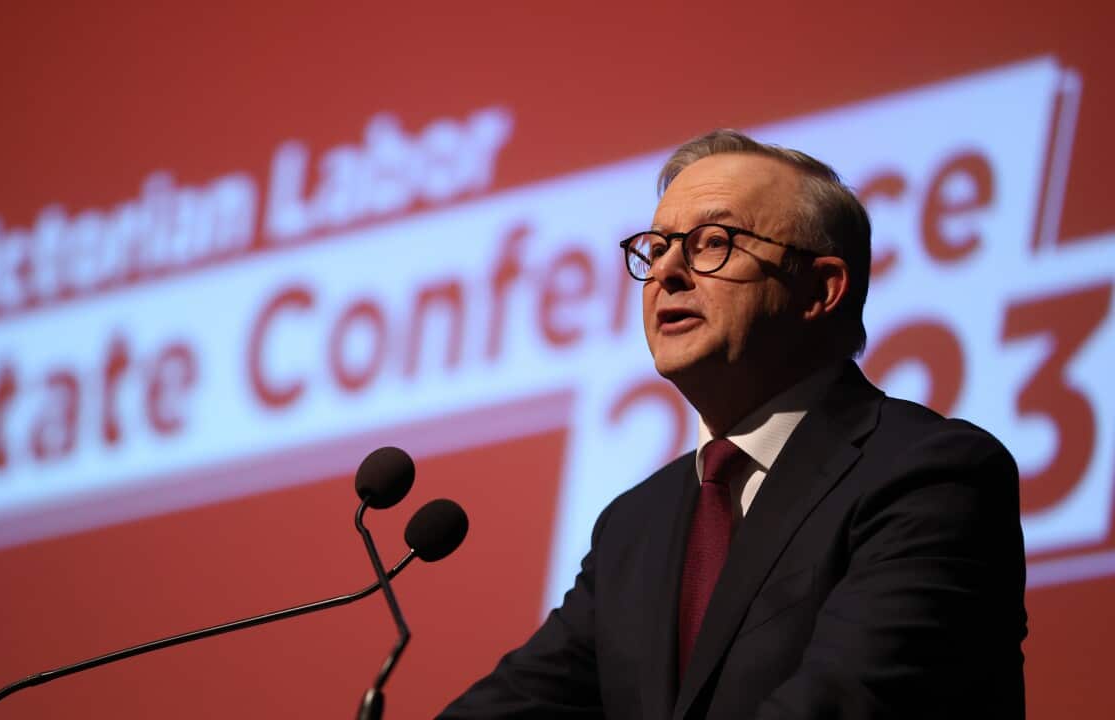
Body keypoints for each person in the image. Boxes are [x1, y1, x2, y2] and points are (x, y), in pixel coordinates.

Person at [439, 130, 1027, 719]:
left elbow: (846, 702)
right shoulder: (635, 525)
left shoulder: (930, 476)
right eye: (657, 246)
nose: (666, 270)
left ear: (822, 289)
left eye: (711, 243)